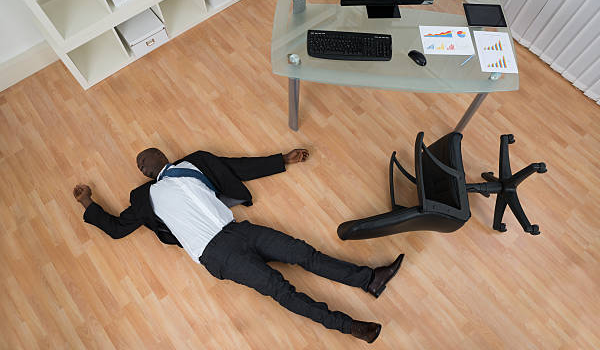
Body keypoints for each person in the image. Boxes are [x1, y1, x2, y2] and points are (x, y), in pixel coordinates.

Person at [73, 147, 403, 343]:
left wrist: (282, 159)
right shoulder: (144, 197)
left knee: (304, 252)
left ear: (163, 154)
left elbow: (238, 166)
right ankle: (348, 327)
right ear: (143, 174)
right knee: (281, 289)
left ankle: (369, 279)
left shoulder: (195, 162)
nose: (145, 162)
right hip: (215, 253)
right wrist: (89, 204)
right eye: (141, 163)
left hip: (239, 230)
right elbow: (118, 228)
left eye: (149, 155)